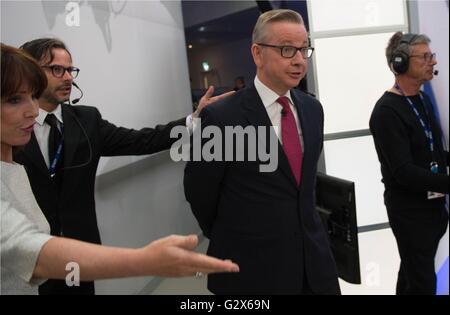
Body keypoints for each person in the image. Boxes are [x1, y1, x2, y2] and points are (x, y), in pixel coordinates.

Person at [0, 43, 240, 295]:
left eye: (71, 70)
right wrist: (145, 261)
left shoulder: (86, 120)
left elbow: (142, 140)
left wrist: (194, 120)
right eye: (57, 69)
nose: (68, 77)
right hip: (22, 262)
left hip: (81, 250)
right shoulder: (11, 137)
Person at [184, 9, 340, 295]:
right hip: (251, 271)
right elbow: (199, 193)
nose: (298, 60)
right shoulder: (222, 117)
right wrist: (235, 235)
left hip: (315, 268)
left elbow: (303, 188)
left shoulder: (312, 109)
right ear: (257, 54)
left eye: (304, 50)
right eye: (286, 49)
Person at [369, 32, 449, 295]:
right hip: (410, 213)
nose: (432, 62)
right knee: (423, 282)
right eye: (424, 57)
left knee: (412, 276)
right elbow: (404, 172)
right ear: (400, 63)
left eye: (431, 55)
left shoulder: (421, 100)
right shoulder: (386, 112)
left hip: (433, 209)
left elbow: (432, 154)